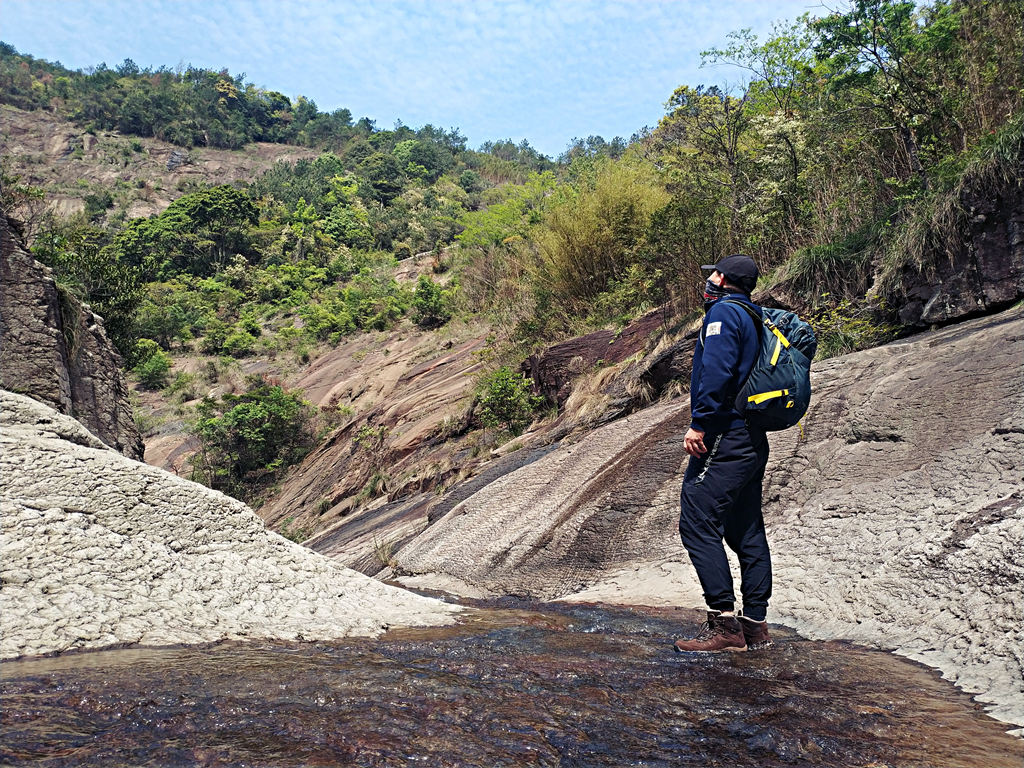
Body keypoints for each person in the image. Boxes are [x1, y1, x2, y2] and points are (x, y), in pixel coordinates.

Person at [674, 254, 773, 653]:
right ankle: (755, 627)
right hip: (751, 438)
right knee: (746, 529)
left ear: (725, 279)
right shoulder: (753, 314)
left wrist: (701, 422)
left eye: (714, 274)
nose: (709, 281)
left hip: (725, 435)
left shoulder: (722, 315)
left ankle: (724, 627)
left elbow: (716, 371)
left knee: (696, 522)